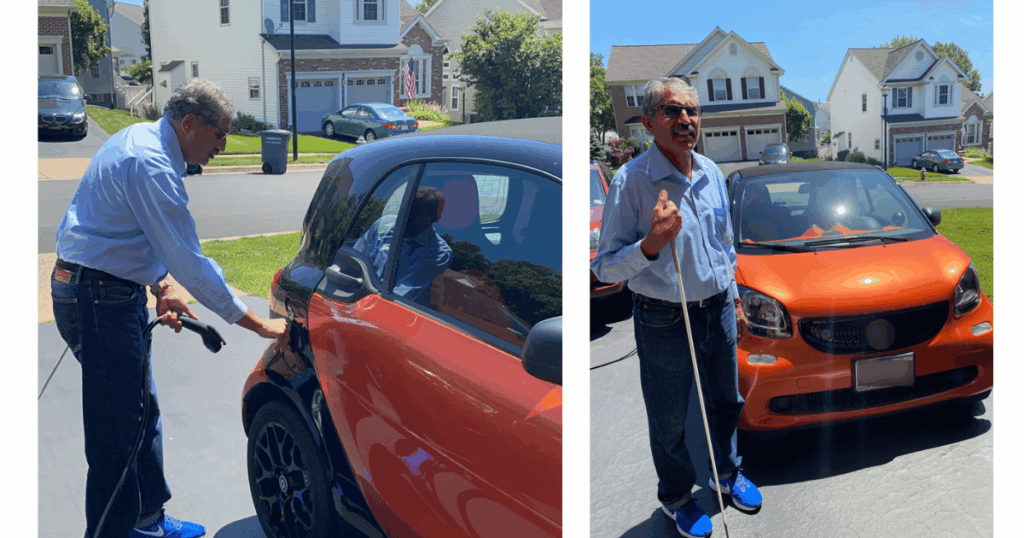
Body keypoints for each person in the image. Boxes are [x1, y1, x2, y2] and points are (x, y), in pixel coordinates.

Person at [51, 78, 287, 538]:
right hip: (97, 299)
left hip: (105, 292)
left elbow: (131, 231)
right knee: (116, 440)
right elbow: (191, 262)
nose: (224, 144)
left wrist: (160, 284)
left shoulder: (145, 142)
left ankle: (147, 521)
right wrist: (256, 323)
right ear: (189, 123)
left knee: (140, 413)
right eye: (219, 134)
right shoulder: (151, 163)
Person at [591, 77, 763, 538]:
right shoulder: (632, 182)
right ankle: (676, 498)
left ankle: (726, 475)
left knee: (726, 400)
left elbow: (724, 245)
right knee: (669, 416)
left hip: (720, 306)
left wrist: (738, 299)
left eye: (692, 111)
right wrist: (651, 243)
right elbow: (605, 268)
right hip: (663, 317)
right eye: (672, 111)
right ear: (649, 122)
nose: (686, 120)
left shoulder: (710, 171)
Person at [354, 186, 453, 306]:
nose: (406, 218)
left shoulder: (438, 252)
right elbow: (353, 264)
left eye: (415, 213)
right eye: (404, 211)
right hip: (355, 297)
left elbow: (399, 297)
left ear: (433, 219)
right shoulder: (383, 226)